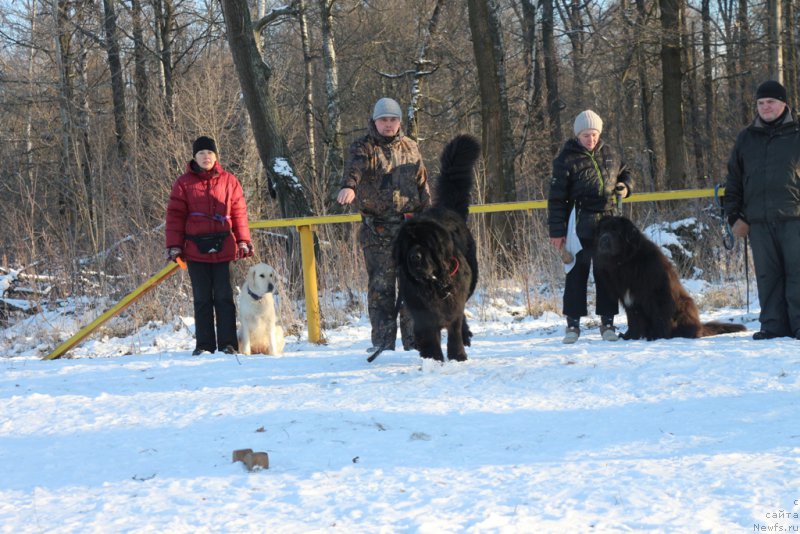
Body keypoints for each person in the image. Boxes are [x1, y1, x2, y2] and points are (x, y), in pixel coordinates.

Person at [336, 97, 431, 353]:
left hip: (410, 229)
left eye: (393, 119)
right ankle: (383, 344)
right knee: (381, 288)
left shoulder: (411, 147)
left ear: (399, 121)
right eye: (383, 120)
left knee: (414, 286)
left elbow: (422, 184)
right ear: (375, 121)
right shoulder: (363, 147)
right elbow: (354, 169)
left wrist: (431, 219)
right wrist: (349, 186)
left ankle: (415, 344)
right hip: (377, 232)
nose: (388, 124)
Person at [547, 110, 633, 344]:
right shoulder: (566, 158)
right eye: (586, 135)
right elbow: (556, 199)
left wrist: (625, 187)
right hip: (578, 223)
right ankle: (573, 325)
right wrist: (556, 232)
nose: (591, 139)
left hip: (608, 223)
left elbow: (625, 173)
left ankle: (607, 324)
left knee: (606, 274)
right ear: (577, 135)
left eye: (594, 134)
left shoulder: (610, 152)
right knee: (576, 274)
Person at [724, 80, 800, 340]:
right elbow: (733, 180)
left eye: (771, 102)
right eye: (761, 103)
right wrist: (733, 215)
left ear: (784, 104)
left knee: (797, 273)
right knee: (768, 276)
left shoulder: (797, 133)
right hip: (757, 221)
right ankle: (773, 325)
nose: (765, 107)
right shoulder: (746, 138)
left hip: (794, 218)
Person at [165, 136, 254, 355]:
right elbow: (175, 216)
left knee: (224, 298)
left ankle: (228, 344)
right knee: (202, 299)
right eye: (202, 153)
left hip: (224, 247)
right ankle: (204, 345)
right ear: (194, 157)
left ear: (216, 156)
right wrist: (174, 246)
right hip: (195, 250)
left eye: (210, 153)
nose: (206, 157)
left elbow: (239, 213)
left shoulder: (230, 181)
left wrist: (243, 240)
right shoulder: (183, 183)